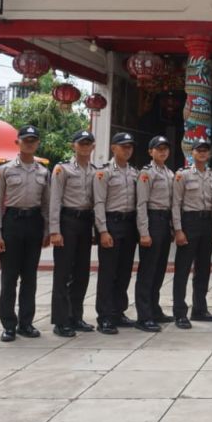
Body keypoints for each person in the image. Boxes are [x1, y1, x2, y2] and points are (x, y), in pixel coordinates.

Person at [0, 125, 51, 342]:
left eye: (33, 140)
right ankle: (8, 324)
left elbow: (46, 204)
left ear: (37, 143)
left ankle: (26, 323)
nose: (30, 143)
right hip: (12, 223)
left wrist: (47, 230)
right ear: (18, 142)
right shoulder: (4, 170)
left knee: (30, 277)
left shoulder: (44, 172)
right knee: (9, 278)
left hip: (33, 223)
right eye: (26, 140)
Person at [48, 129, 97, 338]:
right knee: (63, 273)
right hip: (67, 221)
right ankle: (61, 320)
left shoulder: (95, 171)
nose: (85, 147)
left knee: (82, 272)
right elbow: (55, 201)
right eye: (81, 143)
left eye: (88, 143)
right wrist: (54, 230)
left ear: (93, 147)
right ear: (73, 146)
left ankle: (76, 316)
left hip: (85, 222)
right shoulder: (63, 169)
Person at [171, 138, 212, 329]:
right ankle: (179, 312)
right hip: (188, 222)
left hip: (206, 223)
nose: (202, 153)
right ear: (192, 153)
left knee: (203, 269)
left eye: (205, 150)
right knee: (182, 269)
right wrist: (178, 230)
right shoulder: (182, 175)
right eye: (198, 150)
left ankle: (199, 309)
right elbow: (175, 204)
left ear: (209, 154)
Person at [93, 132, 139, 334]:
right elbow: (99, 203)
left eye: (130, 147)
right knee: (108, 272)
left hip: (129, 225)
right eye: (123, 146)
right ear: (113, 148)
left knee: (124, 271)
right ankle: (104, 316)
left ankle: (118, 311)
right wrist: (103, 230)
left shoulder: (135, 173)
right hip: (111, 223)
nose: (127, 150)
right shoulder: (104, 173)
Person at [133, 135, 175, 332]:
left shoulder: (170, 173)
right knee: (148, 270)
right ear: (151, 152)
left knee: (159, 269)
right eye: (158, 149)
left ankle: (154, 308)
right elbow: (141, 203)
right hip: (151, 220)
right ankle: (144, 315)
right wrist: (144, 232)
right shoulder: (146, 173)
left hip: (164, 221)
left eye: (165, 148)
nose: (163, 151)